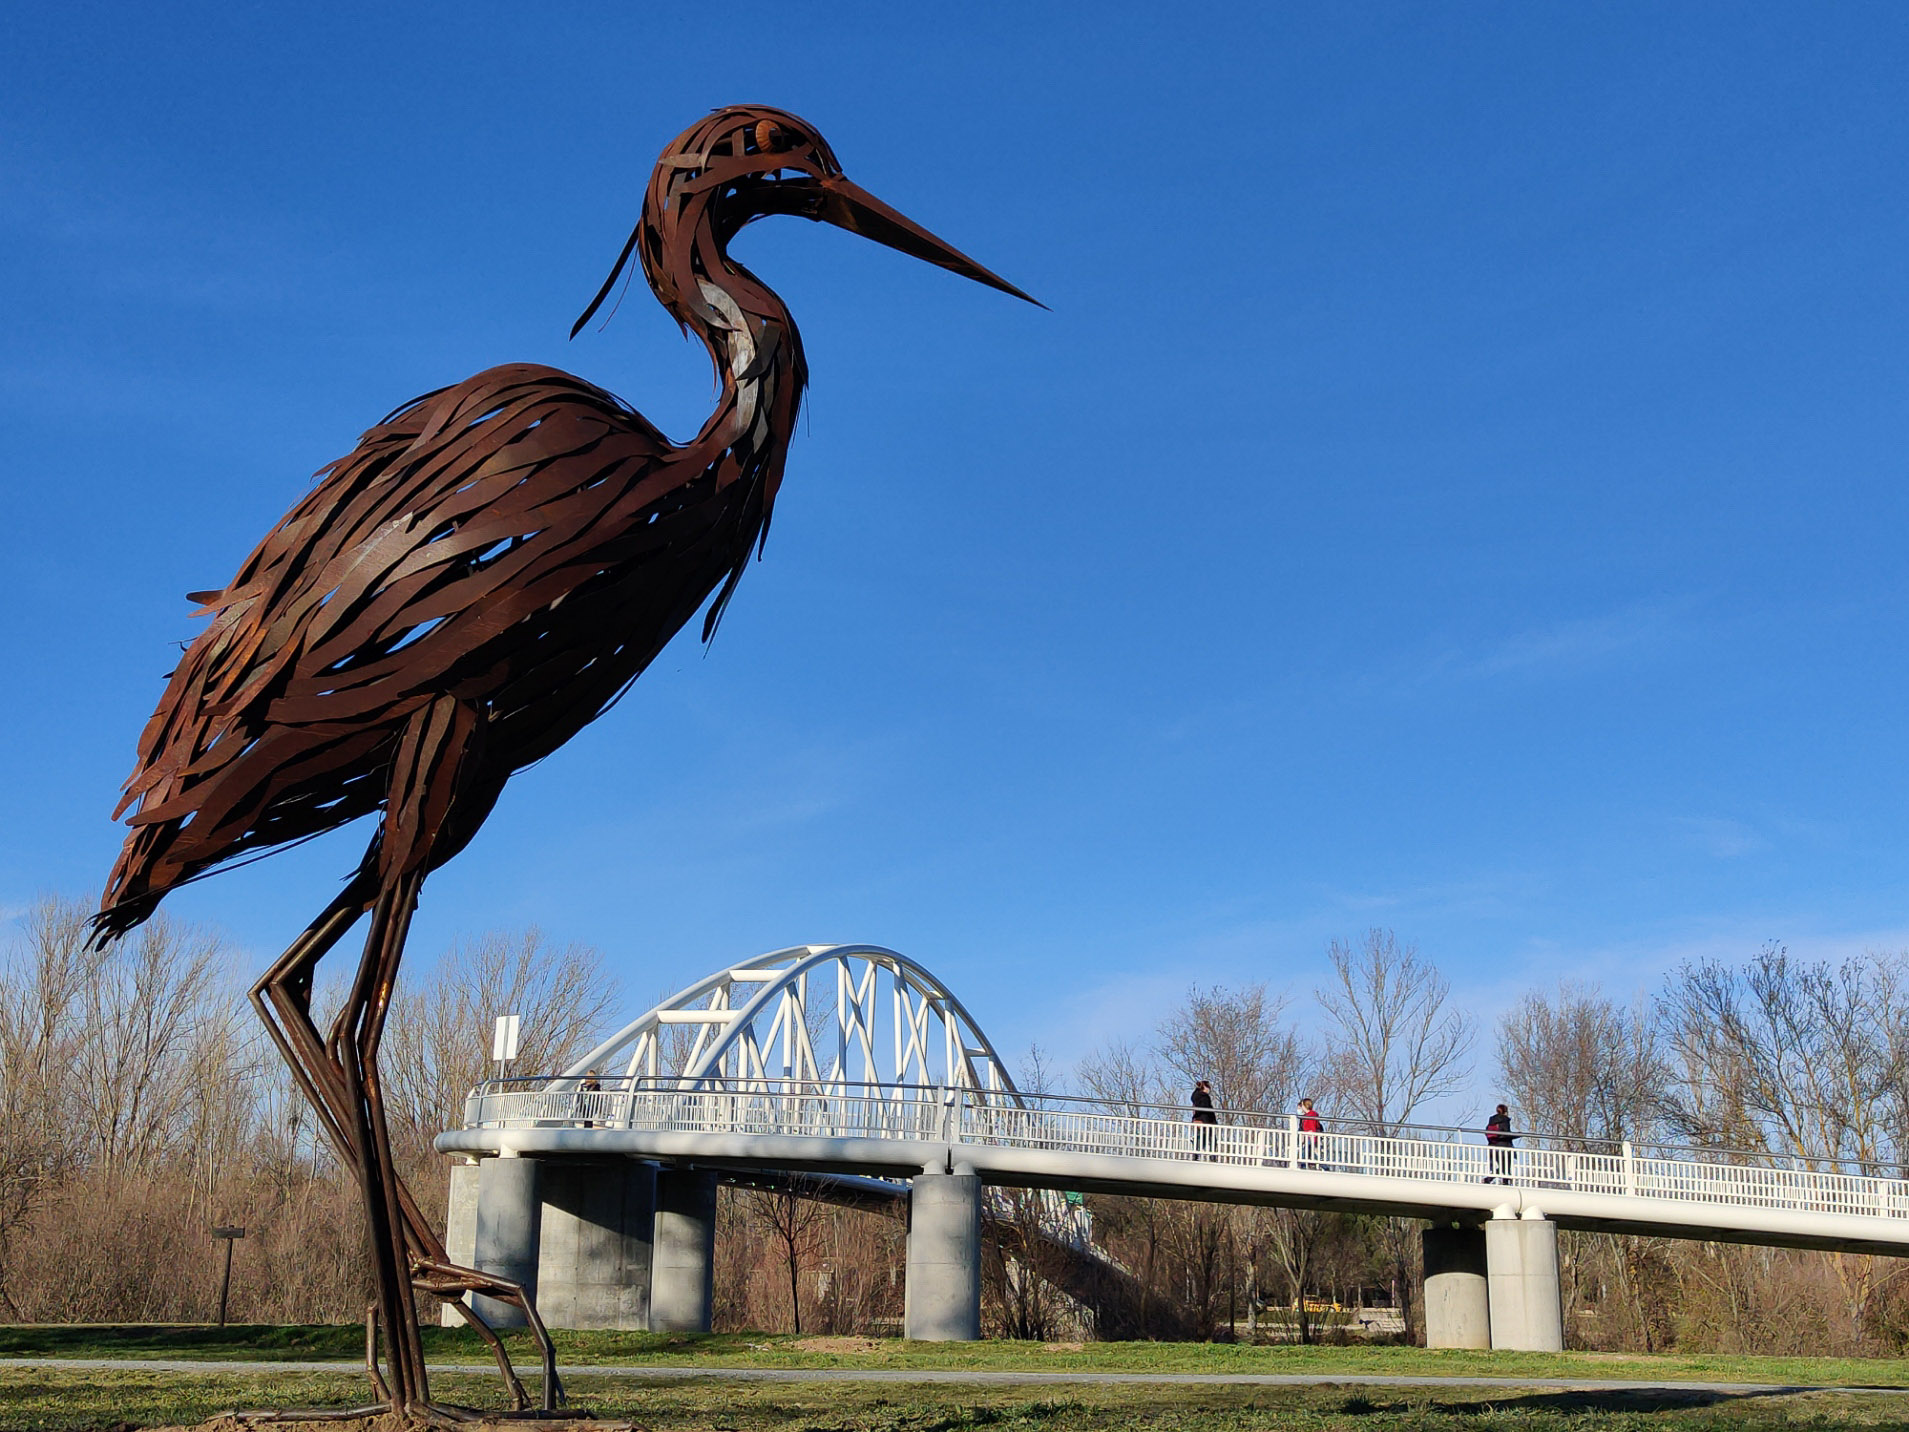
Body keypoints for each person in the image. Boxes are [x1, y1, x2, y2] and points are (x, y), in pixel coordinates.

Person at [1486, 1103, 1515, 1183]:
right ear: (1505, 1111)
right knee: (1505, 1167)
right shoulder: (1504, 1120)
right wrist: (1517, 1135)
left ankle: (1489, 1179)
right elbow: (1506, 1134)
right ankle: (1490, 1180)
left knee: (1502, 1167)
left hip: (1493, 1146)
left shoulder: (1492, 1120)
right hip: (1504, 1147)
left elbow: (1487, 1132)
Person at [1190, 1079, 1217, 1158]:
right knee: (1211, 1138)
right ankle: (1212, 1156)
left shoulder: (1196, 1096)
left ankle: (1196, 1152)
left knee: (1203, 1137)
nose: (1209, 1089)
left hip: (1198, 1119)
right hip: (1205, 1120)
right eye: (1208, 1087)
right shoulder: (1204, 1097)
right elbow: (1206, 1109)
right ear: (1205, 1087)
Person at [1297, 1096, 1324, 1170]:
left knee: (1306, 1151)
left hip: (1311, 1137)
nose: (1301, 1107)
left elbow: (1313, 1126)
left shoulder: (1312, 1114)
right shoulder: (1305, 1116)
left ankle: (1302, 1165)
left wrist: (1311, 1134)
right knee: (1309, 1152)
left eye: (1302, 1105)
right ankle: (1323, 1165)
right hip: (1307, 1137)